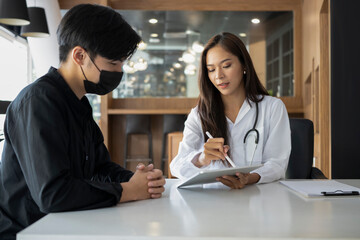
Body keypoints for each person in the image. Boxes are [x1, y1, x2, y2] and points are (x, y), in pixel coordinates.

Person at [0, 4, 165, 240]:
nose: (119, 71)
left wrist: (139, 180)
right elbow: (53, 195)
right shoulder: (38, 102)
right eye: (113, 63)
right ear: (80, 55)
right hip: (26, 231)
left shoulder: (79, 104)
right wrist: (127, 191)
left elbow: (100, 167)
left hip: (64, 224)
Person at [170, 32, 291, 188]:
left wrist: (249, 178)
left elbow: (277, 164)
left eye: (226, 66)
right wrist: (202, 159)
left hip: (258, 199)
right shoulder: (200, 114)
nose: (219, 76)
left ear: (244, 65)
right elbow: (176, 167)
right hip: (213, 201)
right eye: (211, 70)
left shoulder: (272, 108)